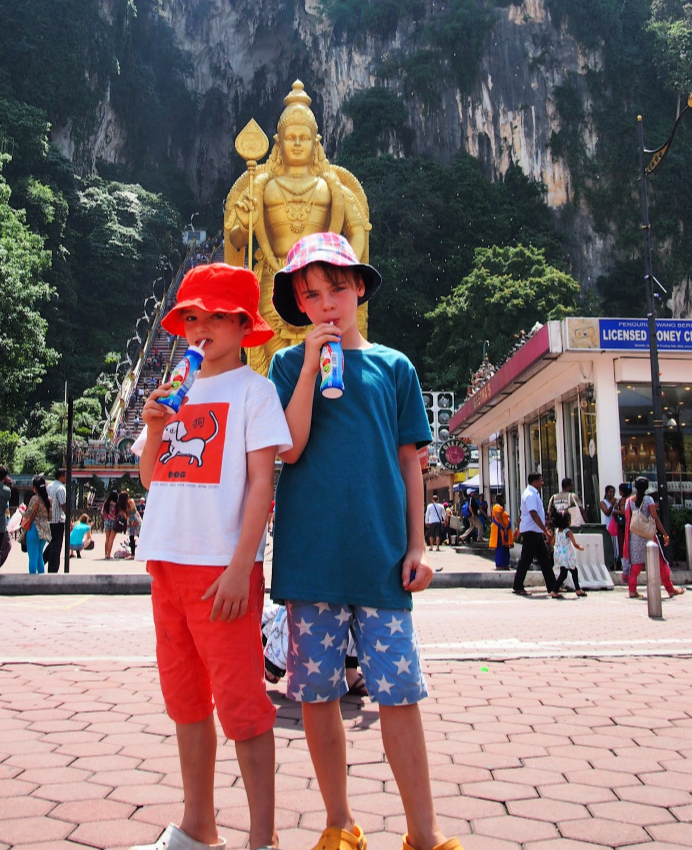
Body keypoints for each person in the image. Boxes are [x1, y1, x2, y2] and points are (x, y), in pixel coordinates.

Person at [268, 232, 463, 850]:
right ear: (300, 306)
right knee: (319, 696)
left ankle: (424, 834)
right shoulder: (283, 366)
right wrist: (306, 367)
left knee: (400, 696)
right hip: (312, 560)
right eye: (311, 295)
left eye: (336, 290)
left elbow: (412, 463)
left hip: (381, 558)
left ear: (358, 289)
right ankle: (338, 823)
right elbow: (290, 447)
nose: (325, 305)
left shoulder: (394, 367)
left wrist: (418, 547)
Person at [129, 262, 291, 850]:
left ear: (243, 324)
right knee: (186, 699)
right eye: (191, 317)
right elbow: (152, 477)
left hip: (221, 568)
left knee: (243, 705)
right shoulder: (180, 388)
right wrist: (152, 428)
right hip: (165, 561)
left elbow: (260, 485)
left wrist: (241, 567)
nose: (200, 328)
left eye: (215, 317)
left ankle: (262, 838)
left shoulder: (254, 390)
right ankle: (199, 824)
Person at [225, 81, 370, 377]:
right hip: (273, 283)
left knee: (326, 363)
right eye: (290, 137)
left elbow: (357, 229)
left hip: (321, 288)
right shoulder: (262, 185)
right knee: (275, 368)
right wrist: (244, 222)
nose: (297, 143)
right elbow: (237, 241)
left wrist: (342, 268)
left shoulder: (332, 186)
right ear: (279, 143)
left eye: (304, 137)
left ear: (315, 142)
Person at [623, 476, 684, 600]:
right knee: (660, 562)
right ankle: (670, 589)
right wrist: (664, 534)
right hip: (648, 536)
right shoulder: (649, 500)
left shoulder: (629, 501)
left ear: (635, 487)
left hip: (634, 536)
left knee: (636, 564)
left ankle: (632, 590)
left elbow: (627, 518)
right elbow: (655, 518)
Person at [513, 472, 558, 597]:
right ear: (535, 482)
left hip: (535, 531)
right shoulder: (530, 495)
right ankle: (517, 586)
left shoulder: (533, 494)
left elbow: (522, 513)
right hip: (531, 531)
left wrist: (518, 527)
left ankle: (552, 587)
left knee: (545, 560)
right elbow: (533, 514)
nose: (542, 483)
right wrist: (545, 530)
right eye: (540, 481)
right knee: (526, 559)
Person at [551, 508, 586, 597]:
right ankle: (556, 591)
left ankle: (576, 589)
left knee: (565, 573)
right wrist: (580, 547)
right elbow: (574, 544)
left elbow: (553, 542)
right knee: (572, 571)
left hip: (559, 555)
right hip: (567, 555)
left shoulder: (557, 531)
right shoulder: (568, 532)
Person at [21, 475, 51, 575]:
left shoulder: (35, 499)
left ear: (35, 487)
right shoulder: (48, 500)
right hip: (45, 530)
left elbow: (28, 514)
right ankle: (42, 580)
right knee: (39, 557)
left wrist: (21, 510)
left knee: (32, 557)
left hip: (34, 529)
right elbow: (50, 517)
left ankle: (32, 580)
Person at [44, 468, 67, 573]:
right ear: (61, 476)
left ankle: (42, 560)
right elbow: (63, 505)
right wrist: (69, 518)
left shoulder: (49, 486)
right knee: (56, 546)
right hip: (58, 520)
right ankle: (53, 569)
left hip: (49, 520)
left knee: (52, 543)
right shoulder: (61, 488)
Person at [489, 493, 513, 570]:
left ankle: (505, 563)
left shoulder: (501, 507)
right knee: (500, 548)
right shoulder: (497, 507)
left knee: (505, 548)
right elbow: (499, 517)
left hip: (503, 531)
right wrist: (504, 527)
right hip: (499, 531)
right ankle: (500, 564)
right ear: (501, 499)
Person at [614, 482, 631, 580]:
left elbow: (623, 511)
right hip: (630, 524)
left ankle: (625, 566)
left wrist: (615, 511)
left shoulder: (623, 501)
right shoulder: (632, 499)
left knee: (623, 544)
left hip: (623, 525)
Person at [600, 484, 618, 568]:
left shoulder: (615, 503)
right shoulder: (603, 502)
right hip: (607, 527)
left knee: (615, 546)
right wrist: (612, 505)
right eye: (610, 492)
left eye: (613, 492)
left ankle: (616, 562)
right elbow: (607, 513)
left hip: (614, 528)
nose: (612, 494)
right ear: (606, 493)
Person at [102, 490, 119, 559]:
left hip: (107, 521)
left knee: (107, 539)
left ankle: (106, 554)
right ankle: (109, 554)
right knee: (111, 539)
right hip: (114, 522)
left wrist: (107, 517)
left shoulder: (106, 503)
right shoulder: (117, 504)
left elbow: (103, 512)